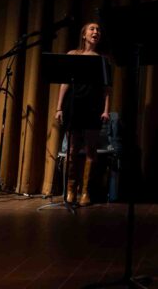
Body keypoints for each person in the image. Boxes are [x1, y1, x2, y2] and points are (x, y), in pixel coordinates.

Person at [54, 22, 111, 206]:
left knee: (91, 150)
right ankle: (71, 190)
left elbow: (106, 89)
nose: (96, 32)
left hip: (93, 106)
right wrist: (58, 107)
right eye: (92, 29)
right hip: (74, 105)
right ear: (84, 34)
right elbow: (64, 83)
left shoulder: (103, 59)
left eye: (98, 29)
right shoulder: (73, 55)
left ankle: (85, 192)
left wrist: (106, 110)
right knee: (71, 149)